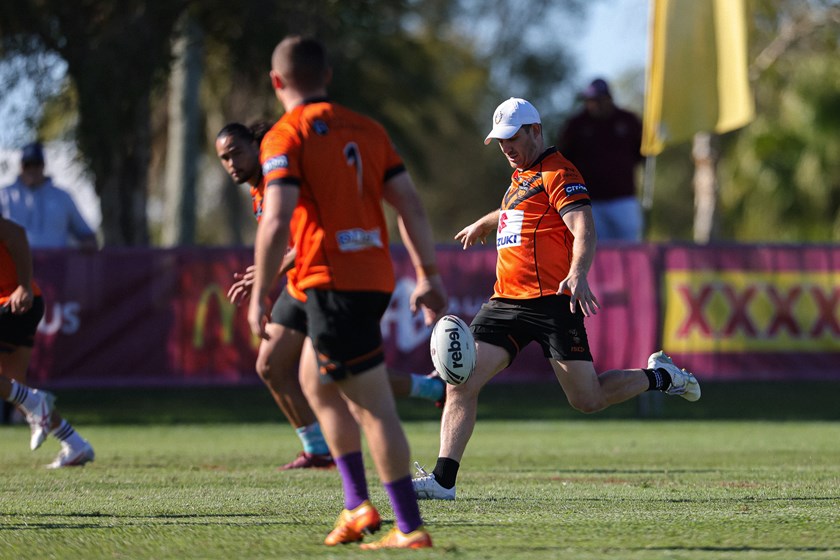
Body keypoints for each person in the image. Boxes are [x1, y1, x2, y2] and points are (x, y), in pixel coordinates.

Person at [411, 97, 700, 501]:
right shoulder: (520, 176)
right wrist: (486, 220)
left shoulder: (560, 172)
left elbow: (584, 228)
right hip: (505, 302)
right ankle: (443, 481)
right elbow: (521, 211)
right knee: (461, 382)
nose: (506, 147)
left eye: (513, 138)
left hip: (551, 303)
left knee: (588, 399)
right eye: (499, 141)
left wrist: (578, 273)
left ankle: (661, 376)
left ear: (535, 131)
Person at [248, 35, 446, 550]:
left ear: (276, 82)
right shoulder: (369, 129)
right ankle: (358, 506)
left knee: (373, 406)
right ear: (327, 76)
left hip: (333, 282)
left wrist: (257, 293)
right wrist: (427, 274)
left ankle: (408, 528)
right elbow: (411, 206)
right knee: (314, 381)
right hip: (370, 276)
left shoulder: (285, 134)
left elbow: (275, 219)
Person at [215, 123, 446, 471]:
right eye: (223, 158)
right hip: (298, 287)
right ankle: (318, 450)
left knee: (338, 377)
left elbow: (309, 237)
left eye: (236, 152)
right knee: (270, 365)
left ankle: (432, 391)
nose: (231, 162)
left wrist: (267, 275)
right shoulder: (259, 190)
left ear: (254, 144)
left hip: (327, 281)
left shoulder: (284, 175)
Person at [0, 216, 95, 468]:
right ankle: (75, 444)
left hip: (15, 302)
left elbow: (16, 233)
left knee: (21, 394)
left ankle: (35, 402)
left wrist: (23, 286)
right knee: (15, 388)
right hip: (20, 304)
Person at [556, 78, 644, 241]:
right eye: (589, 100)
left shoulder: (628, 120)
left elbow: (641, 154)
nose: (592, 104)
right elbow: (563, 159)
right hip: (589, 201)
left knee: (631, 249)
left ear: (608, 99)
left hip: (624, 199)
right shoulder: (577, 124)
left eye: (597, 100)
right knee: (594, 250)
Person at [0, 142, 97, 249]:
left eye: (37, 164)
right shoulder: (4, 196)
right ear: (21, 166)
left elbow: (87, 235)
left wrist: (88, 244)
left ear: (43, 166)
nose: (32, 169)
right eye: (27, 165)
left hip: (56, 264)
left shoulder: (62, 197)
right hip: (14, 264)